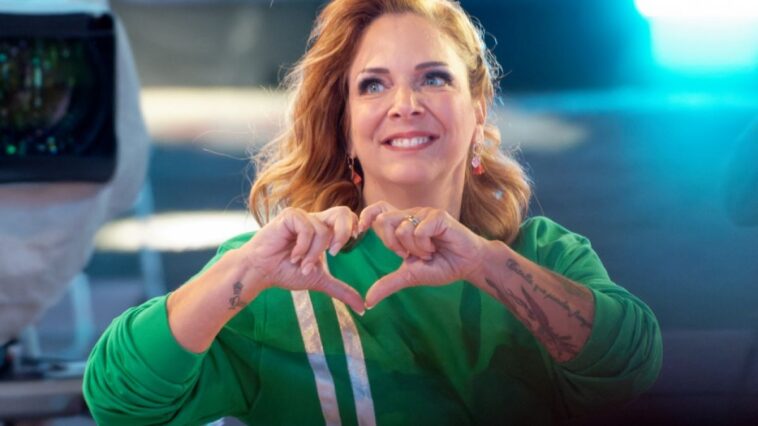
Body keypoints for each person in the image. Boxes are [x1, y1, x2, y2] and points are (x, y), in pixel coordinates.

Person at [83, 0, 662, 424]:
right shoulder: (278, 279)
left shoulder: (542, 254)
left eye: (434, 78)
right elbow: (118, 400)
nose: (405, 105)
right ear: (346, 128)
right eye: (373, 86)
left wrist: (484, 264)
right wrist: (244, 269)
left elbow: (629, 367)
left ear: (479, 110)